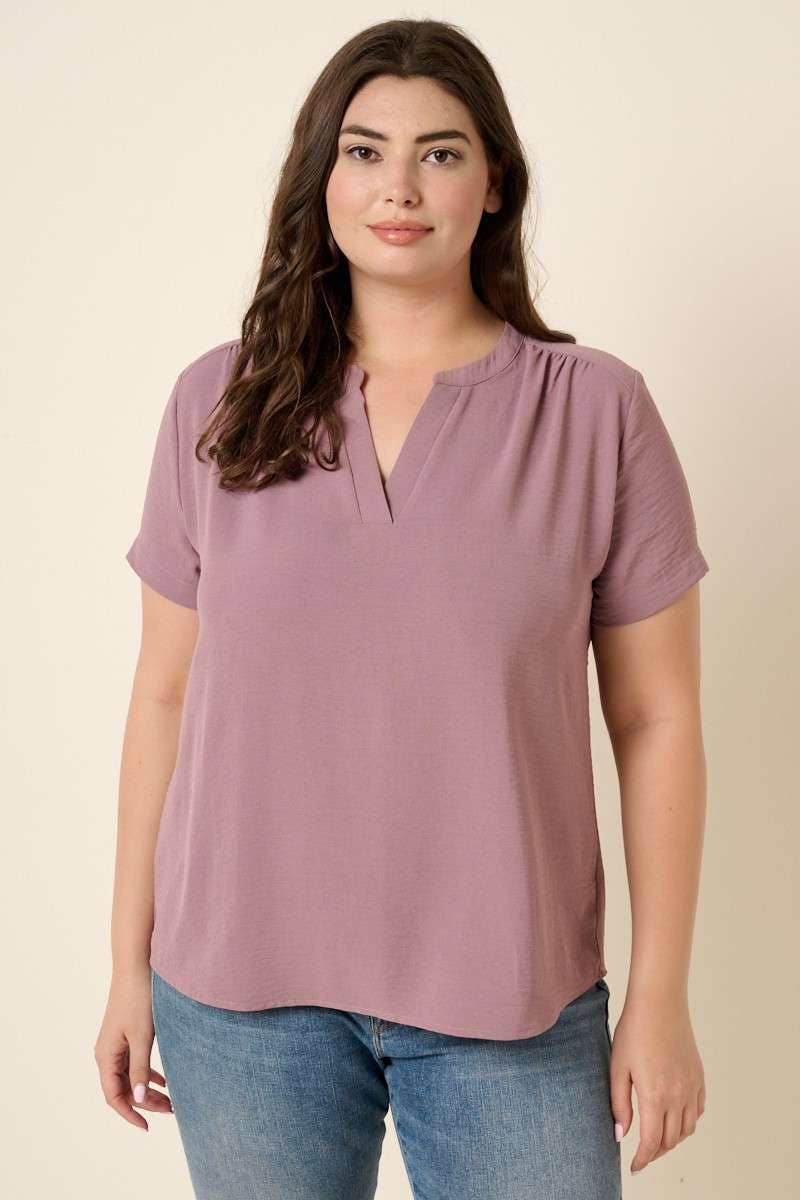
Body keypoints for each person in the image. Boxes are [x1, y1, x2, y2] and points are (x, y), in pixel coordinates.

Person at [94, 18, 709, 1199]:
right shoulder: (216, 403)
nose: (399, 189)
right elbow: (162, 695)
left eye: (439, 153)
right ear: (319, 178)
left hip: (509, 998)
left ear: (493, 184)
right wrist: (128, 963)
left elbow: (655, 719)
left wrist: (660, 996)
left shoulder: (594, 414)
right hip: (241, 1000)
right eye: (365, 151)